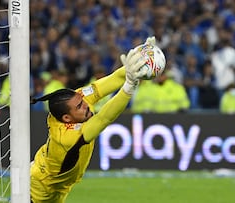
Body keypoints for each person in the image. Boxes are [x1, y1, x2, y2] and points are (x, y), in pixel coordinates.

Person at [30, 37, 155, 203]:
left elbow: (112, 80)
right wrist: (129, 87)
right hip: (40, 193)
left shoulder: (74, 101)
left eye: (82, 102)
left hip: (46, 177)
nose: (86, 106)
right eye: (80, 107)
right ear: (67, 118)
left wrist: (139, 62)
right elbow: (104, 118)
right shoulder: (68, 138)